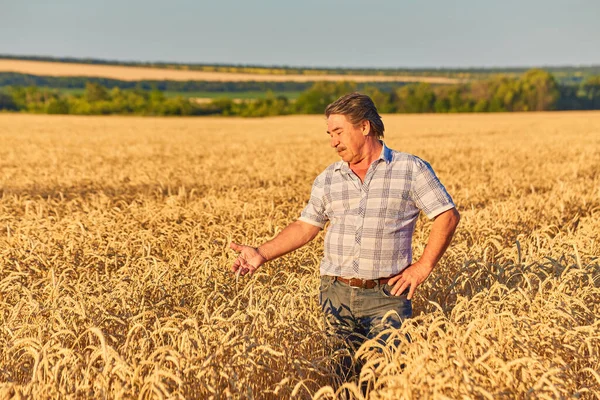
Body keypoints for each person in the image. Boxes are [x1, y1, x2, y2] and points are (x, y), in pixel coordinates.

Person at [230, 92, 460, 379]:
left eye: (338, 132)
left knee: (389, 381)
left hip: (387, 297)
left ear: (365, 127)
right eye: (329, 134)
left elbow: (446, 215)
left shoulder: (409, 169)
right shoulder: (329, 177)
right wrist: (261, 253)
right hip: (335, 296)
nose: (333, 141)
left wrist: (423, 267)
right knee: (341, 381)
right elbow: (305, 226)